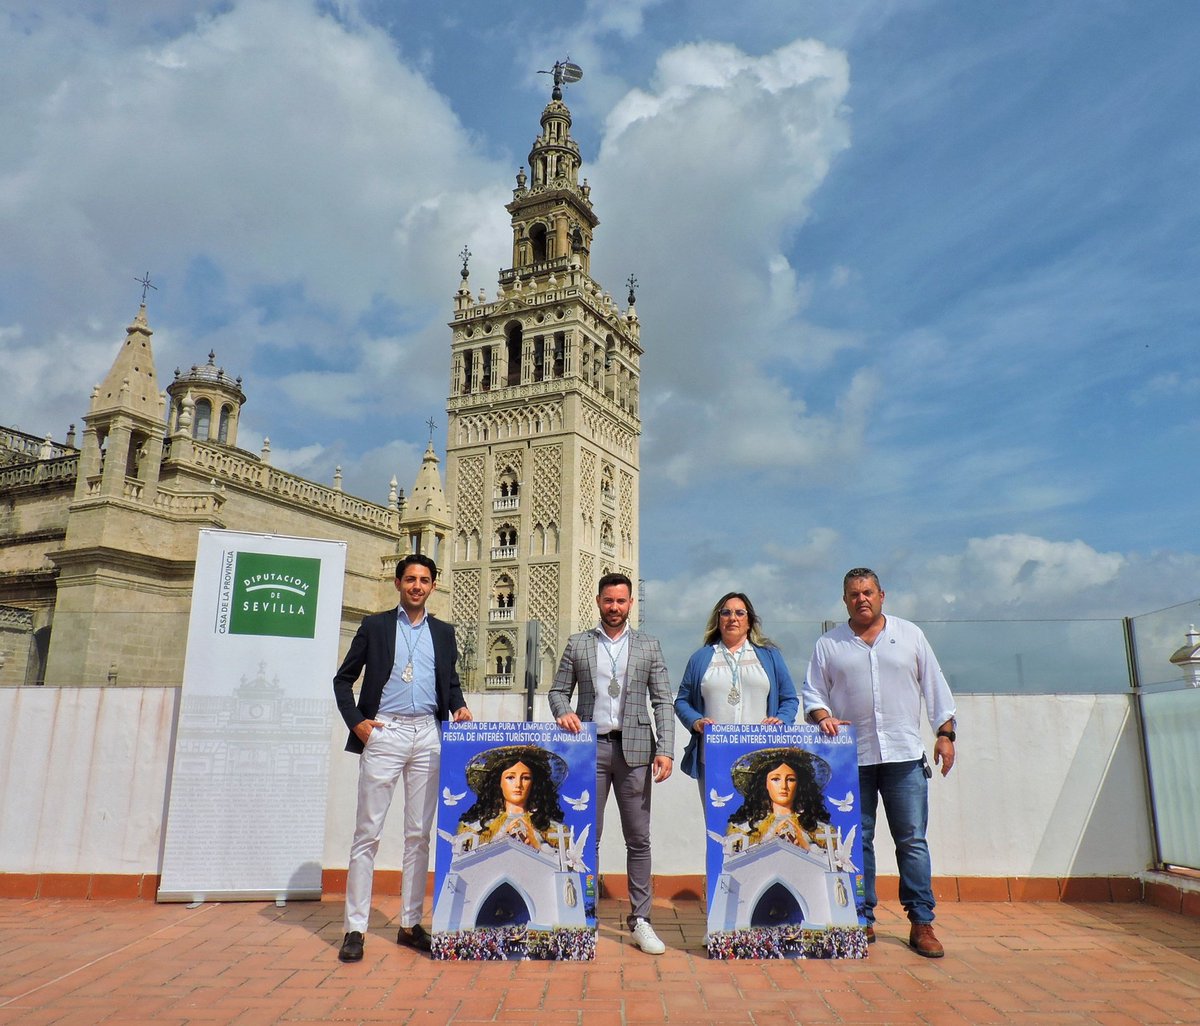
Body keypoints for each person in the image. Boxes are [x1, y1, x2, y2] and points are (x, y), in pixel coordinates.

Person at [802, 567, 956, 958]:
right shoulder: (829, 645)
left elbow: (936, 688)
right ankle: (862, 919)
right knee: (858, 843)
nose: (861, 599)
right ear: (844, 600)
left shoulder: (910, 636)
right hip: (853, 758)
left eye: (868, 592)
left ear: (882, 595)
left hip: (904, 757)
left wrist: (945, 734)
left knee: (912, 842)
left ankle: (922, 922)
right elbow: (813, 695)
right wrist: (823, 717)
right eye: (854, 594)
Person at [332, 553, 473, 963]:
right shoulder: (375, 626)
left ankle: (410, 923)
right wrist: (357, 722)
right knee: (368, 833)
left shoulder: (444, 633)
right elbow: (344, 679)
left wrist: (459, 707)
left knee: (418, 834)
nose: (416, 586)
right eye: (410, 579)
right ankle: (355, 927)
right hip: (385, 730)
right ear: (398, 583)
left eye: (424, 580)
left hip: (428, 733)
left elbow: (450, 682)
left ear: (433, 586)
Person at [549, 572, 675, 955]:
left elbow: (663, 702)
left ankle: (640, 921)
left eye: (621, 601)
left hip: (636, 751)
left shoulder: (649, 646)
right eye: (609, 601)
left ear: (631, 604)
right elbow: (557, 691)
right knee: (588, 837)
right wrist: (563, 713)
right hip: (591, 750)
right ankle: (583, 916)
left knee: (638, 838)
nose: (615, 607)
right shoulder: (578, 644)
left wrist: (666, 748)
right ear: (599, 601)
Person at [674, 592, 799, 794]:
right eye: (726, 613)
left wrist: (782, 719)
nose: (733, 618)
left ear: (749, 621)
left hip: (761, 758)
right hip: (714, 757)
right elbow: (682, 702)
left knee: (759, 823)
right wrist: (696, 721)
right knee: (719, 824)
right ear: (718, 619)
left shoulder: (769, 655)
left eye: (740, 613)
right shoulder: (700, 658)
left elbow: (789, 699)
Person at [456, 745, 568, 851]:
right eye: (510, 777)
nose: (518, 784)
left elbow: (566, 864)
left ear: (534, 784)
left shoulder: (552, 829)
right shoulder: (477, 828)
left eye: (525, 778)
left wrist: (536, 846)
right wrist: (503, 840)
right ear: (499, 782)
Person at [724, 747, 832, 851]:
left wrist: (805, 847)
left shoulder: (818, 828)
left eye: (790, 779)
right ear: (765, 784)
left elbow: (834, 860)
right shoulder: (744, 828)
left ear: (799, 784)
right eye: (776, 779)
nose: (783, 786)